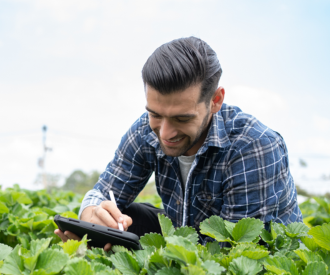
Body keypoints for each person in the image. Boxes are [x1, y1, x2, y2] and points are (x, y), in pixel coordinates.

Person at [55, 36, 302, 249]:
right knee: (122, 217)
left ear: (215, 100)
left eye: (182, 118)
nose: (165, 132)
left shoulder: (254, 146)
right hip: (186, 237)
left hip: (251, 258)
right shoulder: (145, 130)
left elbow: (236, 254)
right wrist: (92, 217)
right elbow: (102, 192)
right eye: (155, 114)